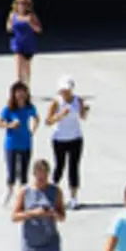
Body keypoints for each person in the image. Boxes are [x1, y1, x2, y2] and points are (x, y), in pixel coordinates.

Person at [44, 77, 90, 209]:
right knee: (59, 166)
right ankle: (51, 195)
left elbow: (82, 117)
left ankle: (74, 197)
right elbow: (48, 121)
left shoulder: (78, 100)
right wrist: (60, 116)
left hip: (75, 137)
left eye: (68, 90)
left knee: (74, 167)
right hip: (59, 139)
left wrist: (84, 111)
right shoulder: (56, 102)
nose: (65, 92)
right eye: (63, 90)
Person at [0, 81, 38, 205]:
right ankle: (9, 191)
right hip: (12, 144)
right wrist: (9, 125)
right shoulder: (9, 109)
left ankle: (23, 196)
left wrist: (33, 130)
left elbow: (36, 117)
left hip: (26, 143)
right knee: (12, 171)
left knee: (24, 172)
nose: (20, 95)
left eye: (23, 92)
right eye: (18, 92)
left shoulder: (29, 108)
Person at [5, 0, 42, 88]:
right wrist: (11, 26)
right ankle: (19, 87)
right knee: (18, 67)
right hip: (17, 44)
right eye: (19, 3)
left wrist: (31, 24)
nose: (21, 5)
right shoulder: (13, 15)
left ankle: (26, 86)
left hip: (28, 44)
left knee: (26, 67)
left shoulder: (31, 16)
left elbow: (39, 29)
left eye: (24, 3)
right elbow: (8, 27)